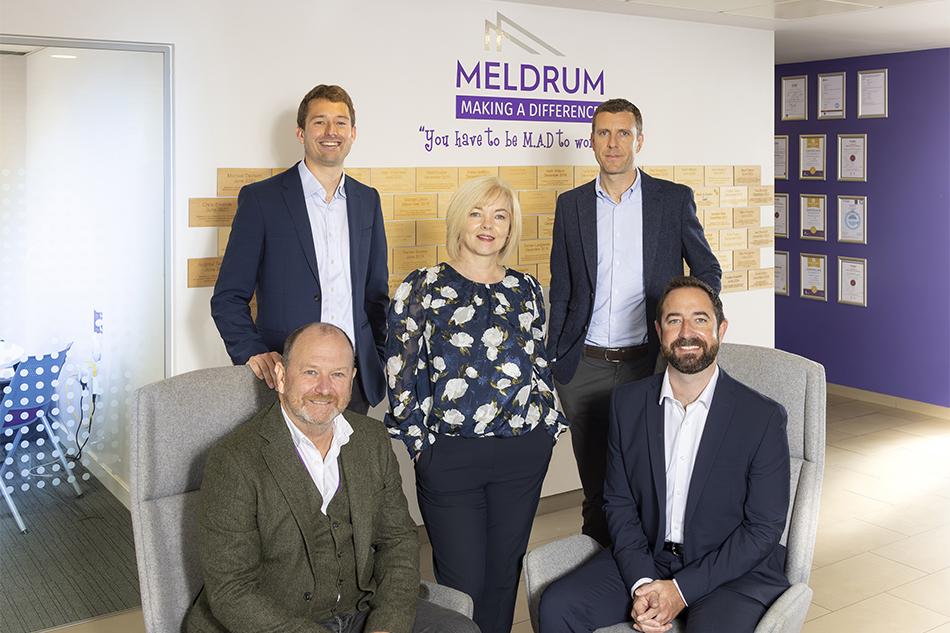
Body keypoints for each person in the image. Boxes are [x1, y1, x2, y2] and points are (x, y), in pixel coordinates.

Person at [185, 322, 479, 633]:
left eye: (337, 374)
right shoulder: (234, 459)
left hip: (359, 612)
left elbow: (398, 542)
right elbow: (232, 591)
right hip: (277, 623)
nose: (324, 389)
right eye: (311, 372)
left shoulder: (371, 439)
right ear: (282, 377)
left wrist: (387, 626)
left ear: (351, 379)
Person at [539, 276, 790, 633]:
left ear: (721, 329)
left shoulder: (761, 417)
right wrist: (642, 582)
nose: (687, 332)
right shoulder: (627, 405)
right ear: (659, 331)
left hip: (731, 573)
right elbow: (618, 503)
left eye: (700, 319)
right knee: (558, 606)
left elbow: (763, 529)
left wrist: (680, 591)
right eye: (675, 320)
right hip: (650, 557)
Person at [385, 176, 567, 633]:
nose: (488, 225)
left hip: (522, 454)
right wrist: (421, 447)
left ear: (510, 229)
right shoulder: (422, 288)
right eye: (477, 213)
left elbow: (538, 363)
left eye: (500, 216)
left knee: (505, 577)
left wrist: (548, 430)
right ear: (458, 221)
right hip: (450, 457)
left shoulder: (526, 289)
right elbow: (401, 375)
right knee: (462, 582)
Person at [547, 98, 722, 546]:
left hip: (647, 365)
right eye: (604, 133)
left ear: (639, 140)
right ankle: (598, 568)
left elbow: (707, 271)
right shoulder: (571, 206)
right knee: (594, 481)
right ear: (591, 141)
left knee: (645, 476)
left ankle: (645, 568)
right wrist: (554, 357)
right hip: (583, 366)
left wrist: (690, 324)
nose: (613, 143)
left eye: (623, 133)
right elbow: (563, 285)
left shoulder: (671, 200)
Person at [211, 84, 389, 414]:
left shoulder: (368, 201)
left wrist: (374, 354)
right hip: (287, 379)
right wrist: (253, 351)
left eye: (340, 122)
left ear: (353, 133)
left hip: (352, 380)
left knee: (350, 465)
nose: (331, 132)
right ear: (300, 132)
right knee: (290, 467)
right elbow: (228, 297)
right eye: (319, 122)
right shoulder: (262, 200)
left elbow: (375, 294)